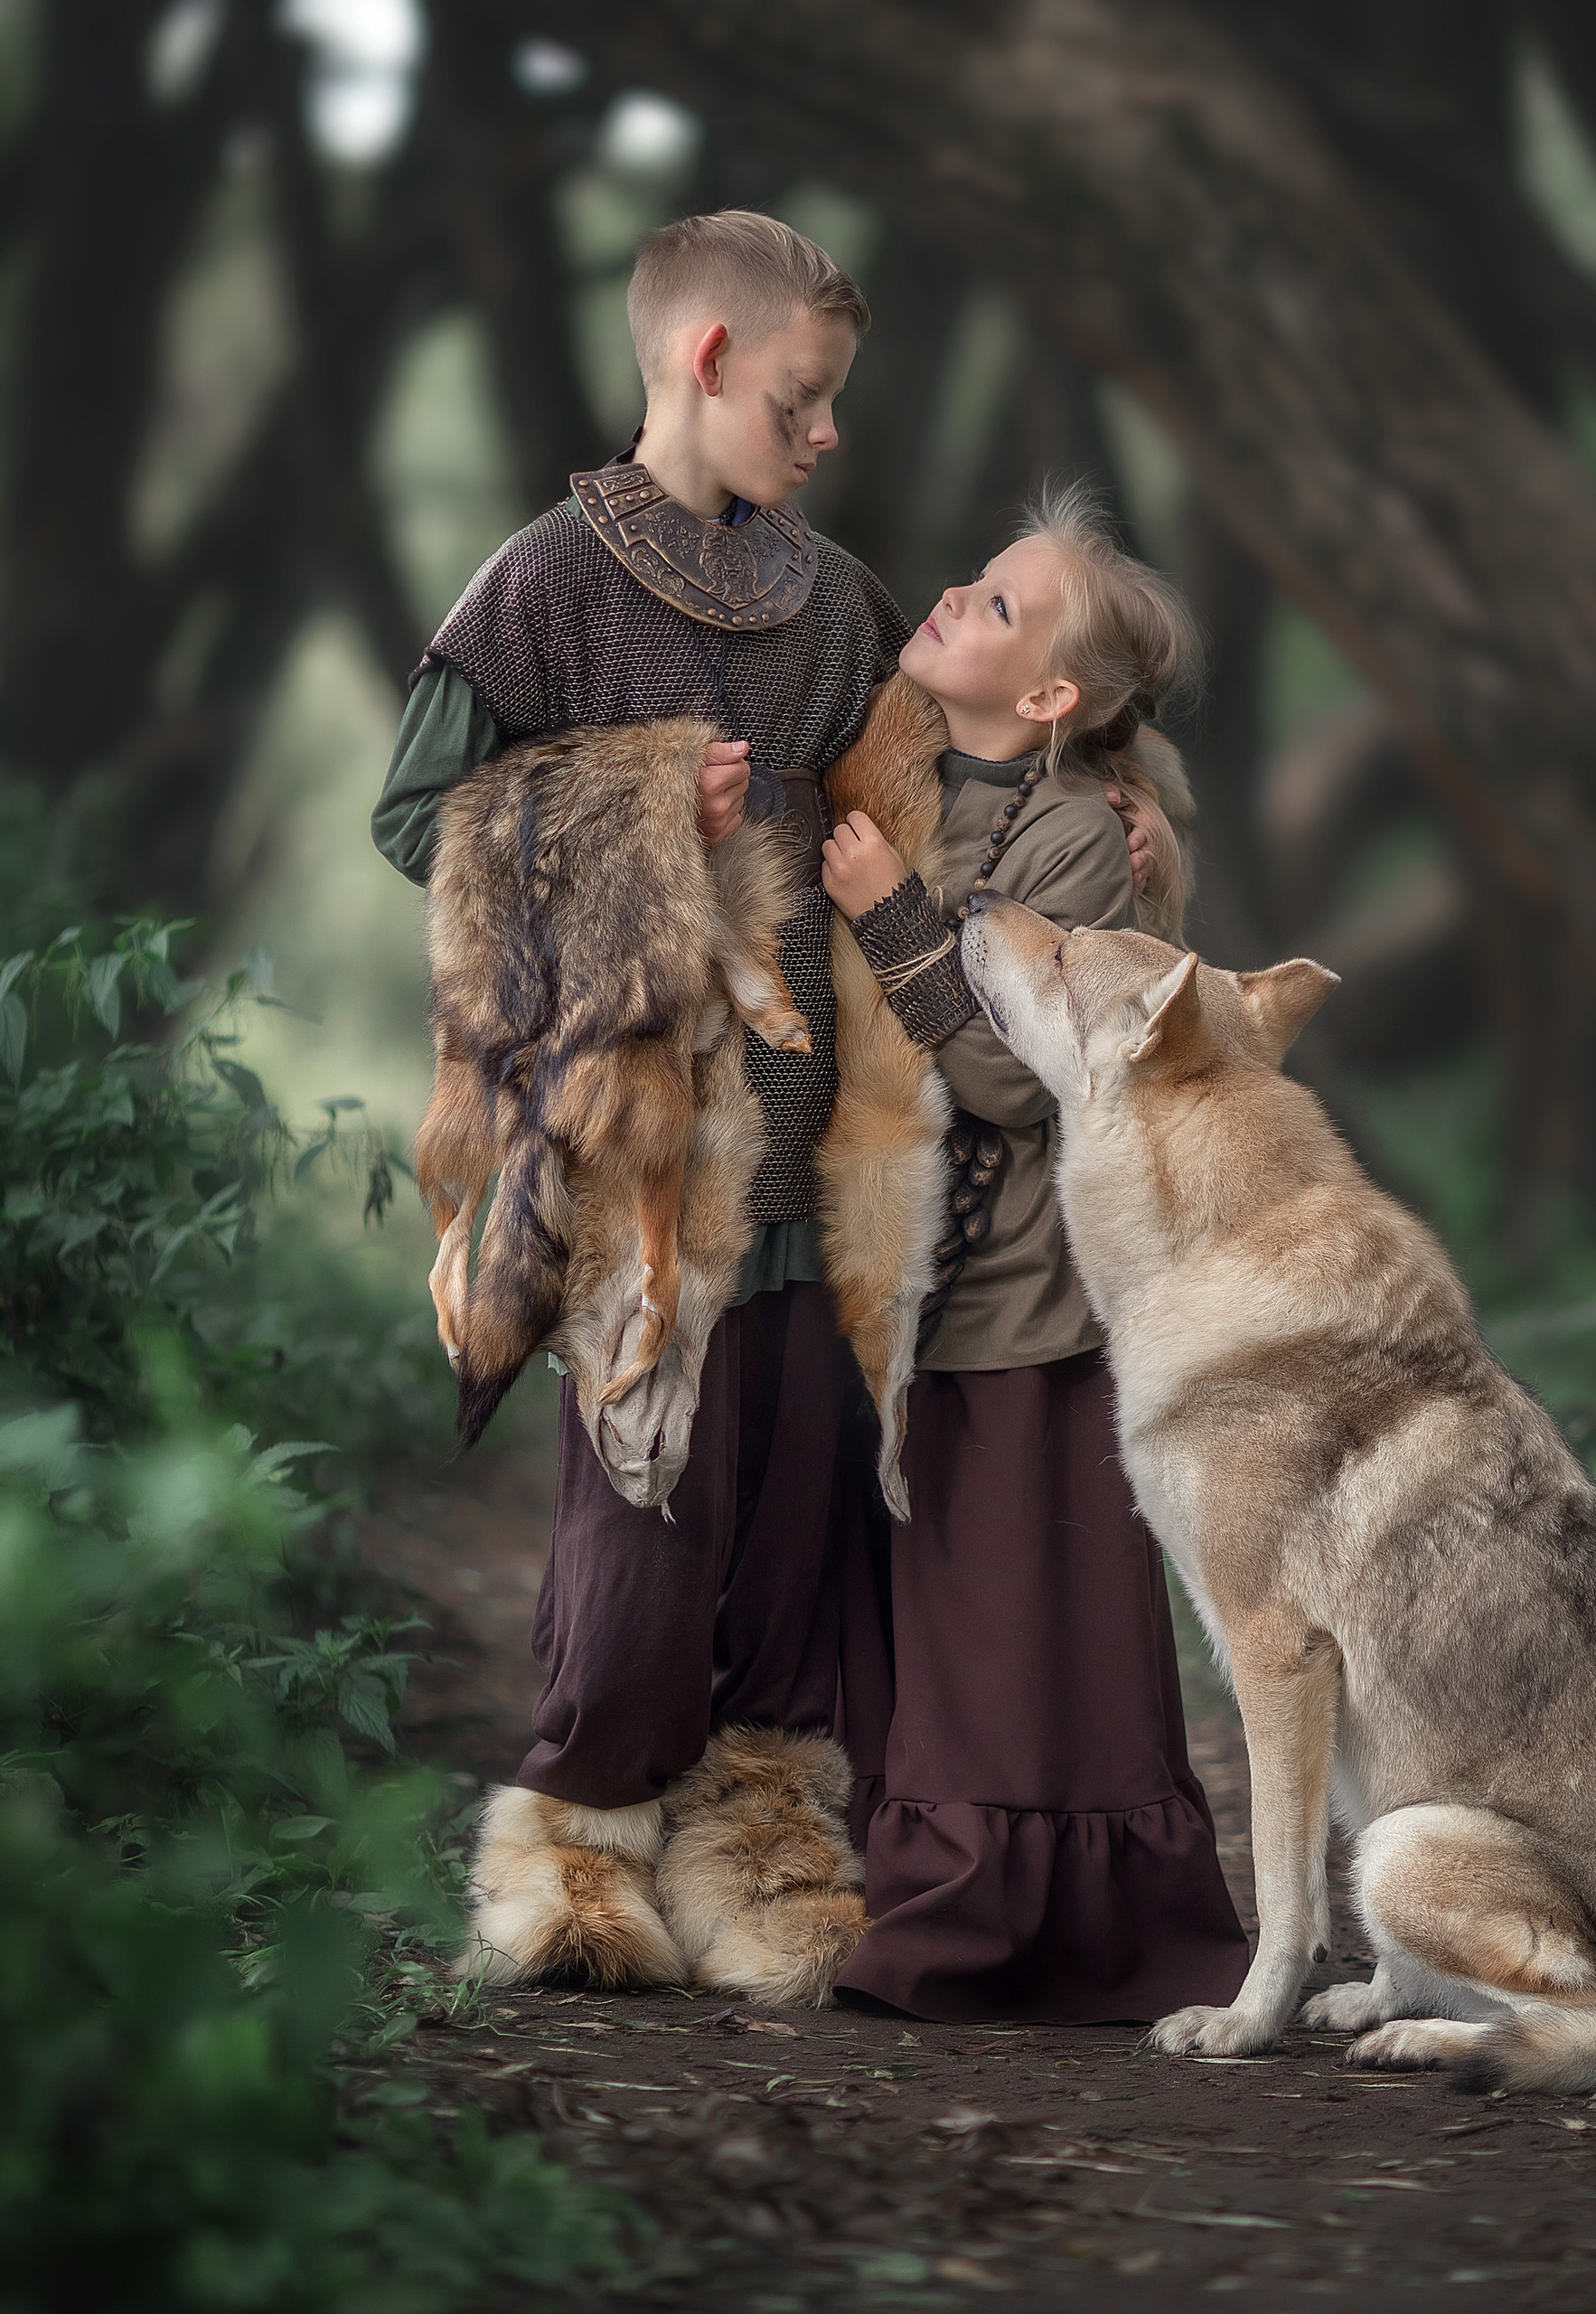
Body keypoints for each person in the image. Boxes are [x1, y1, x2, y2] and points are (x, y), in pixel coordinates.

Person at [371, 211, 906, 1999]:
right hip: (628, 1148)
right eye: (803, 396)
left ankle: (765, 1852)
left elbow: (936, 795)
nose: (825, 432)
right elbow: (412, 825)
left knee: (800, 1512)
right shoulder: (537, 586)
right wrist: (634, 806)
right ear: (704, 363)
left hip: (819, 1139)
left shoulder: (838, 604)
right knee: (641, 1529)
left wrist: (1108, 802)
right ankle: (577, 1850)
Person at [819, 484, 1250, 2023]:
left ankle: (1012, 1918)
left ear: (1054, 696)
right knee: (935, 1608)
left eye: (1001, 606)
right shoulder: (894, 773)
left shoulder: (1079, 838)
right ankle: (932, 1885)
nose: (956, 600)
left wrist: (891, 926)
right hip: (898, 1286)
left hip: (1029, 1287)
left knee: (1021, 1609)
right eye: (976, 580)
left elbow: (1030, 1073)